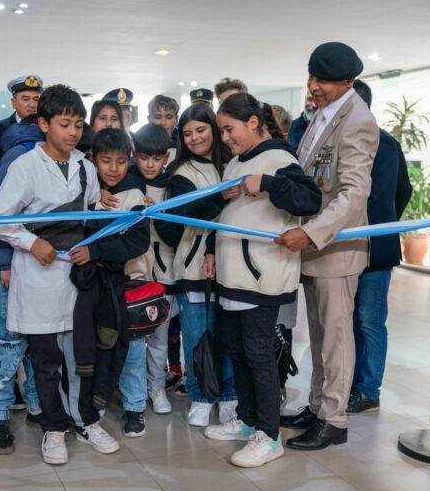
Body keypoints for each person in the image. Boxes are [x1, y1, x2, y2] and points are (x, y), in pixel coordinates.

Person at [0, 84, 119, 465]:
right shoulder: (25, 166)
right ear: (44, 124)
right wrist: (30, 243)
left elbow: (90, 211)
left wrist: (105, 211)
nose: (73, 132)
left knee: (81, 358)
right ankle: (54, 428)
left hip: (77, 279)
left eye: (78, 124)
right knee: (45, 363)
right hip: (37, 277)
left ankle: (86, 419)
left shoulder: (85, 166)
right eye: (65, 124)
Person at [203, 92, 321, 467]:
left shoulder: (279, 159)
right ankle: (249, 419)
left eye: (229, 129)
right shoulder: (236, 163)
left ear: (253, 122)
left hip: (262, 276)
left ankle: (269, 435)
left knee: (258, 354)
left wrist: (268, 183)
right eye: (222, 131)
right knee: (236, 349)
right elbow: (228, 212)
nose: (225, 138)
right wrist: (210, 250)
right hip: (232, 273)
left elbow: (309, 200)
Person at [276, 42, 379, 451]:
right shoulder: (322, 114)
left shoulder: (358, 120)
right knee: (318, 336)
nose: (313, 86)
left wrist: (312, 233)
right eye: (312, 77)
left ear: (348, 82)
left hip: (335, 250)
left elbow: (353, 194)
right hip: (314, 249)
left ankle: (333, 419)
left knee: (336, 337)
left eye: (324, 81)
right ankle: (318, 405)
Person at [155, 103, 237, 427]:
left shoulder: (232, 164)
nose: (194, 138)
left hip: (233, 266)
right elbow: (185, 218)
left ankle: (229, 394)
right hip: (192, 269)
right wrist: (221, 198)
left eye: (200, 130)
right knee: (196, 335)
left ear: (214, 129)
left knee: (228, 335)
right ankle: (200, 395)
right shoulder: (181, 173)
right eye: (187, 133)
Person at [74, 128, 151, 437]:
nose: (114, 168)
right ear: (94, 160)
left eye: (121, 161)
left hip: (128, 284)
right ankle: (98, 399)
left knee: (132, 349)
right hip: (94, 286)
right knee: (99, 345)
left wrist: (97, 250)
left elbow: (136, 242)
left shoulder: (134, 196)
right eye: (106, 161)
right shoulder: (87, 192)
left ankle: (135, 408)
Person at [347, 79, 411, 414]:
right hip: (345, 248)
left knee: (370, 320)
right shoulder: (343, 140)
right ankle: (351, 384)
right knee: (350, 319)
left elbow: (403, 189)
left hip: (376, 249)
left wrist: (384, 223)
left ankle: (369, 389)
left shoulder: (385, 143)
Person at [0, 115, 44, 454]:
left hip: (40, 266)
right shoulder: (19, 156)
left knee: (39, 340)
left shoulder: (53, 156)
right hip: (11, 266)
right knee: (8, 342)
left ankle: (36, 405)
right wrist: (5, 262)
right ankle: (1, 412)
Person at [131, 123, 176, 415]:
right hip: (134, 272)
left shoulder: (173, 186)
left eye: (156, 158)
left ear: (166, 158)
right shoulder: (126, 182)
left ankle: (157, 387)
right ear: (135, 155)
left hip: (165, 273)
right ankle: (133, 391)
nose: (150, 164)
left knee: (160, 335)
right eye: (144, 157)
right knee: (135, 338)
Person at [0, 75, 42, 166]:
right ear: (14, 103)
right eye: (26, 99)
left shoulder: (47, 127)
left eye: (36, 99)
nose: (32, 104)